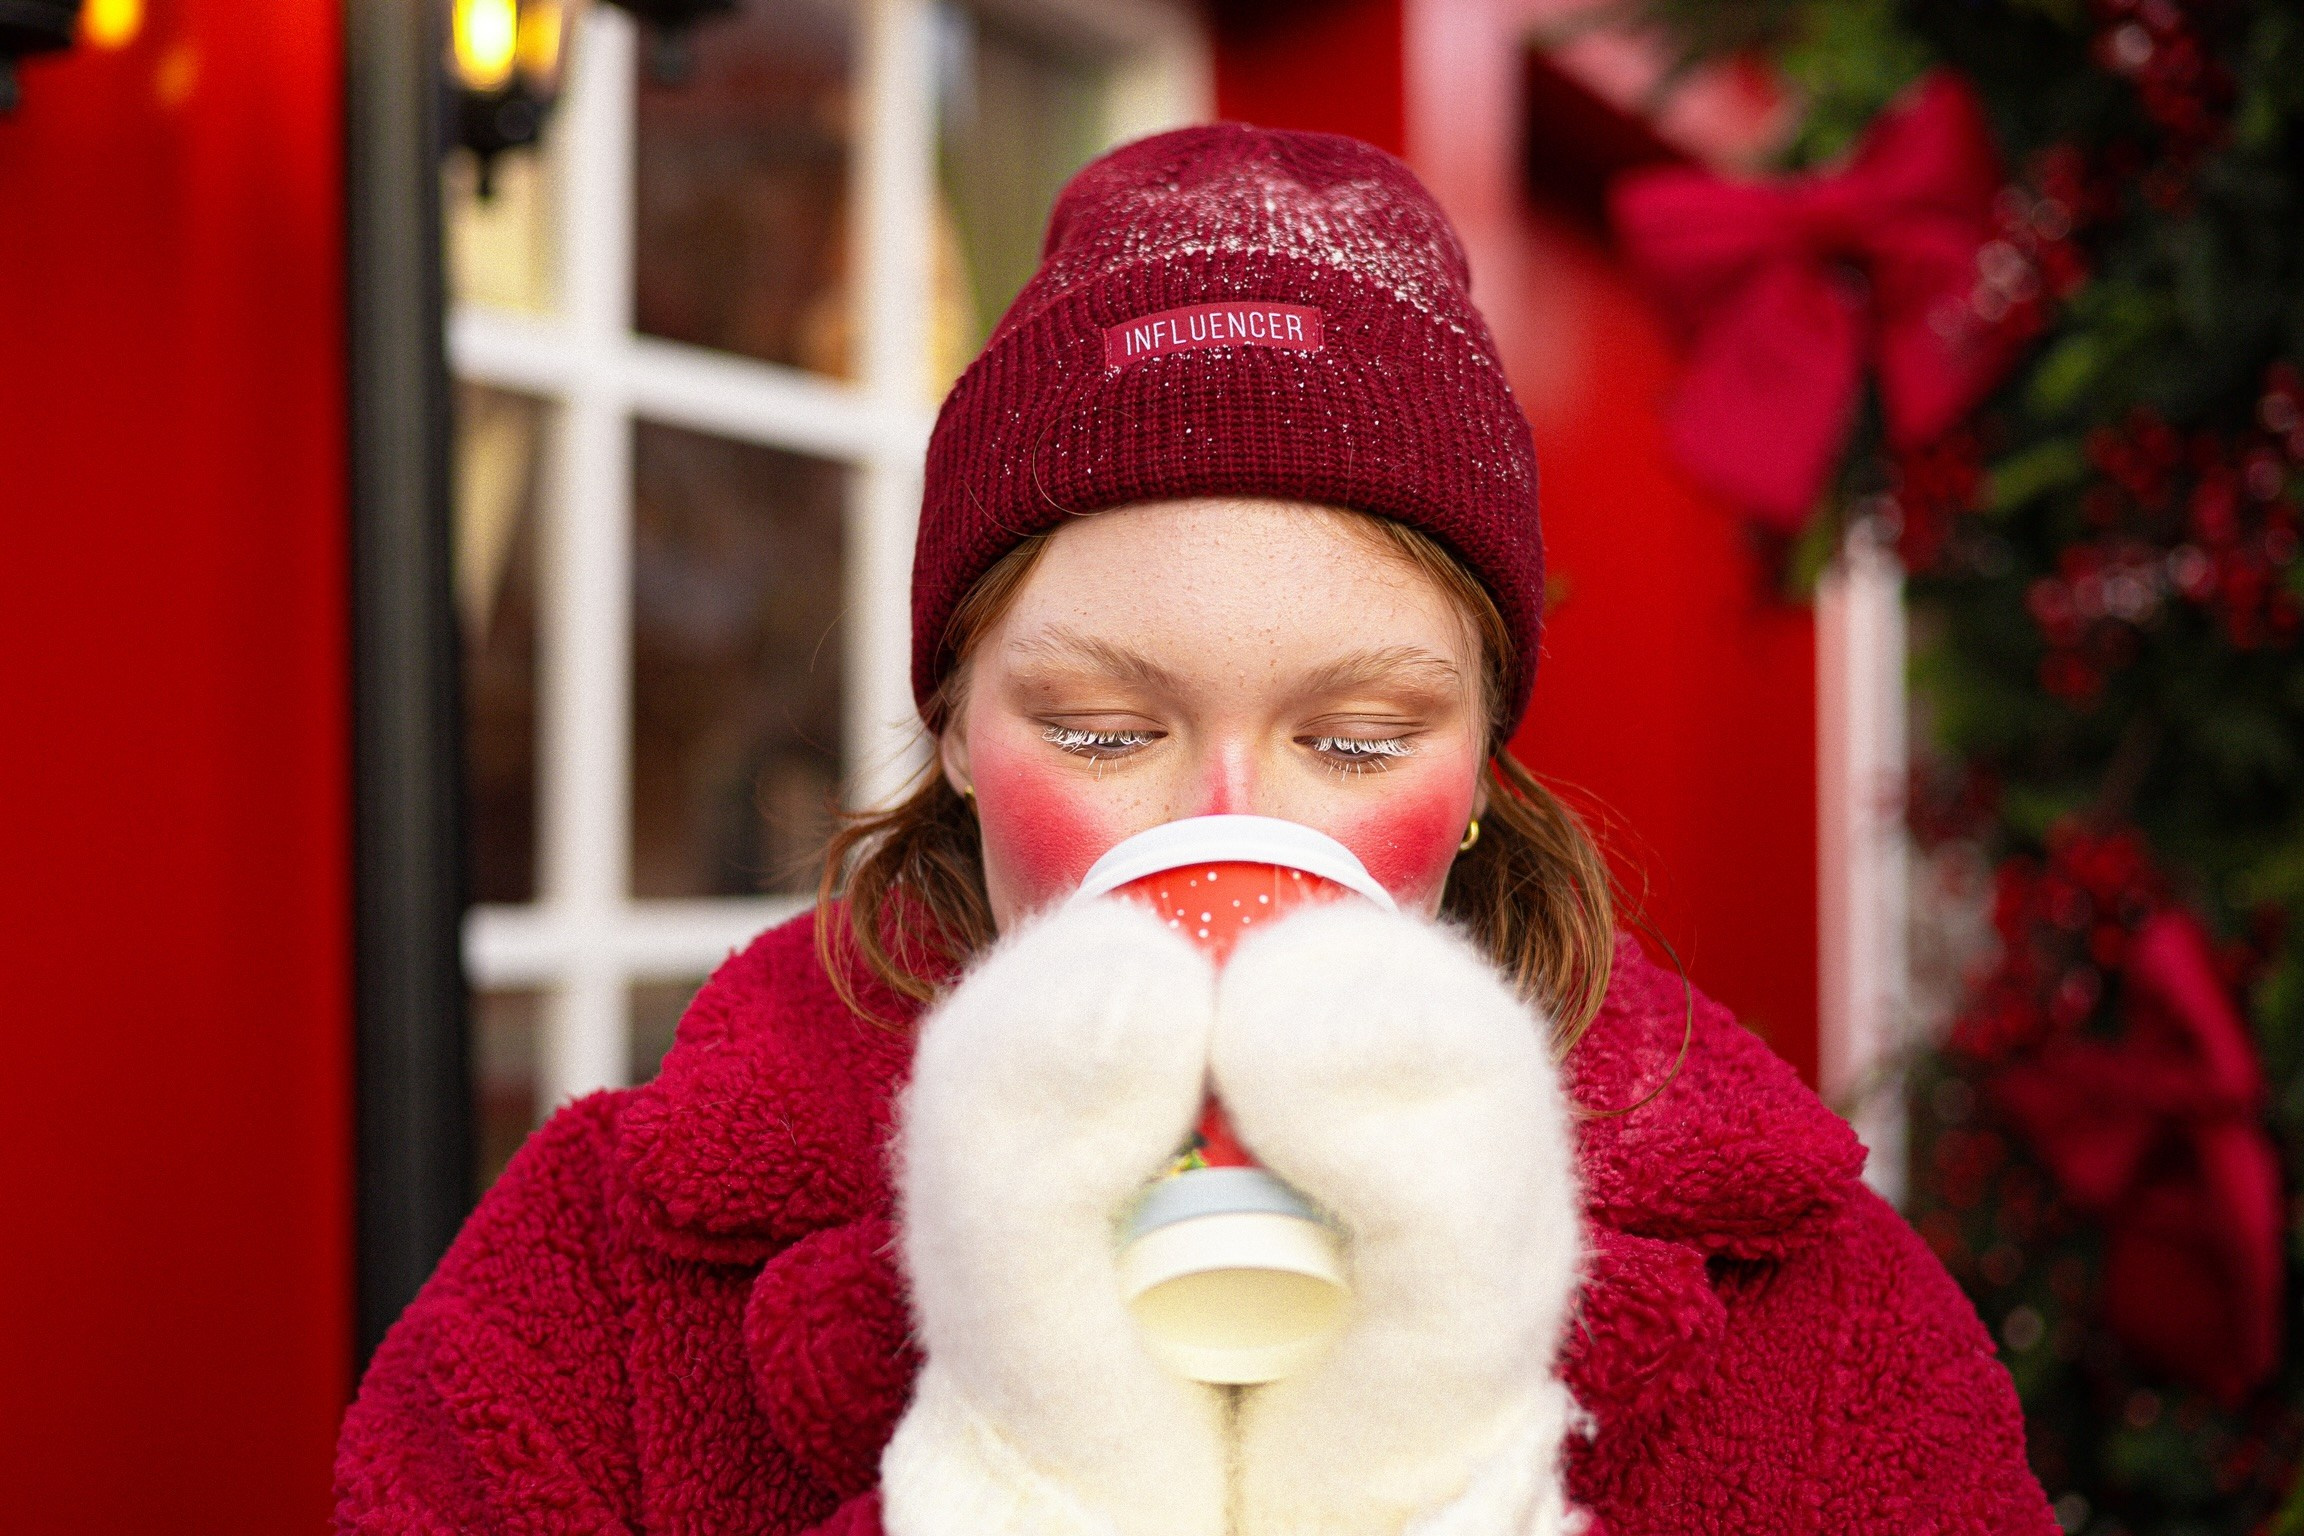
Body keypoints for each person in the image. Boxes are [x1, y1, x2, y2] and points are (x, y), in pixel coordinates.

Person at [336, 125, 2056, 1536]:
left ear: (1477, 780)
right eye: (1101, 727)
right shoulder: (606, 1278)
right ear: (946, 725)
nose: (1226, 829)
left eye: (1357, 735)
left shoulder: (1815, 1320)